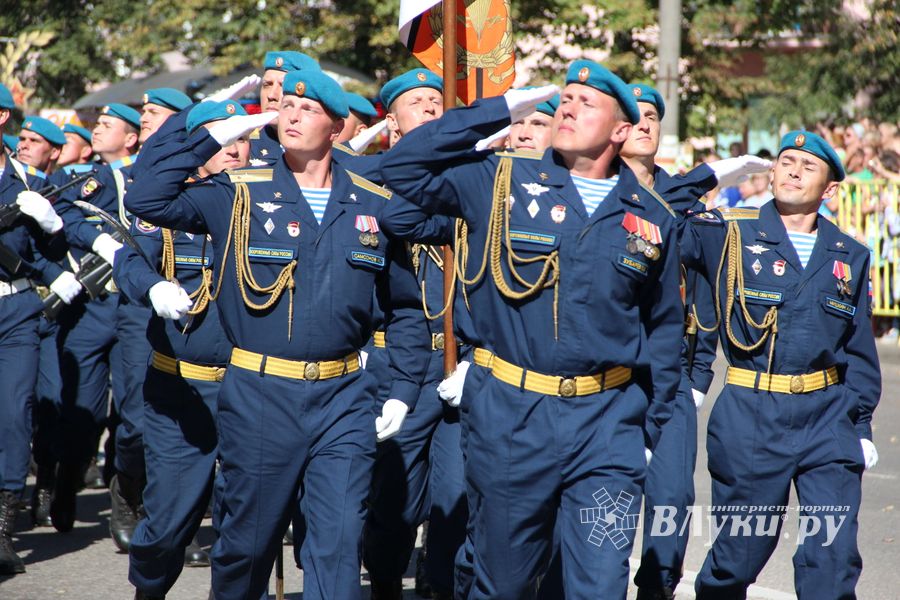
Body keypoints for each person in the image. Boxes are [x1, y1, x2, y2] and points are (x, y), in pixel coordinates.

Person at [381, 59, 684, 598]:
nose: (569, 107)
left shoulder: (653, 217)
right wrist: (497, 110)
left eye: (587, 103)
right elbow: (401, 167)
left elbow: (662, 332)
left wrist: (648, 431)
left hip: (607, 425)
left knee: (600, 587)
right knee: (505, 584)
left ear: (621, 130)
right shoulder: (501, 181)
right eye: (565, 99)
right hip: (512, 418)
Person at [125, 69, 430, 600]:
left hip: (343, 397)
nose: (292, 114)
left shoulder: (371, 203)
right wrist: (208, 137)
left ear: (337, 127)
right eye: (287, 105)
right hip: (260, 395)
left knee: (338, 544)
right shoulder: (237, 193)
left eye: (309, 109)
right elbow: (147, 198)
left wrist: (403, 388)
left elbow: (404, 305)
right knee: (246, 548)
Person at [679, 131, 881, 599]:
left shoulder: (849, 255)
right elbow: (659, 217)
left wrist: (861, 425)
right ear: (771, 173)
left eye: (808, 166)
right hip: (752, 412)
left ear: (830, 188)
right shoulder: (729, 233)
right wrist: (705, 177)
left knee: (833, 558)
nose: (793, 170)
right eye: (786, 161)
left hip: (827, 416)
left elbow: (857, 349)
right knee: (739, 555)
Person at [115, 100, 252, 600]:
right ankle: (149, 589)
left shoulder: (265, 204)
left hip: (248, 385)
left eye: (242, 138)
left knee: (247, 523)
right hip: (180, 385)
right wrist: (153, 286)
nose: (234, 148)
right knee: (169, 525)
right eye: (223, 138)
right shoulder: (171, 207)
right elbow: (131, 262)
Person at [0, 83, 82, 576]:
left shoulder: (28, 182)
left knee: (14, 414)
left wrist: (51, 225)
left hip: (15, 310)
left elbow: (50, 254)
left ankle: (3, 527)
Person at [249, 50, 320, 166]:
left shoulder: (331, 154)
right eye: (267, 85)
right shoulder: (245, 148)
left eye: (283, 86)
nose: (271, 95)